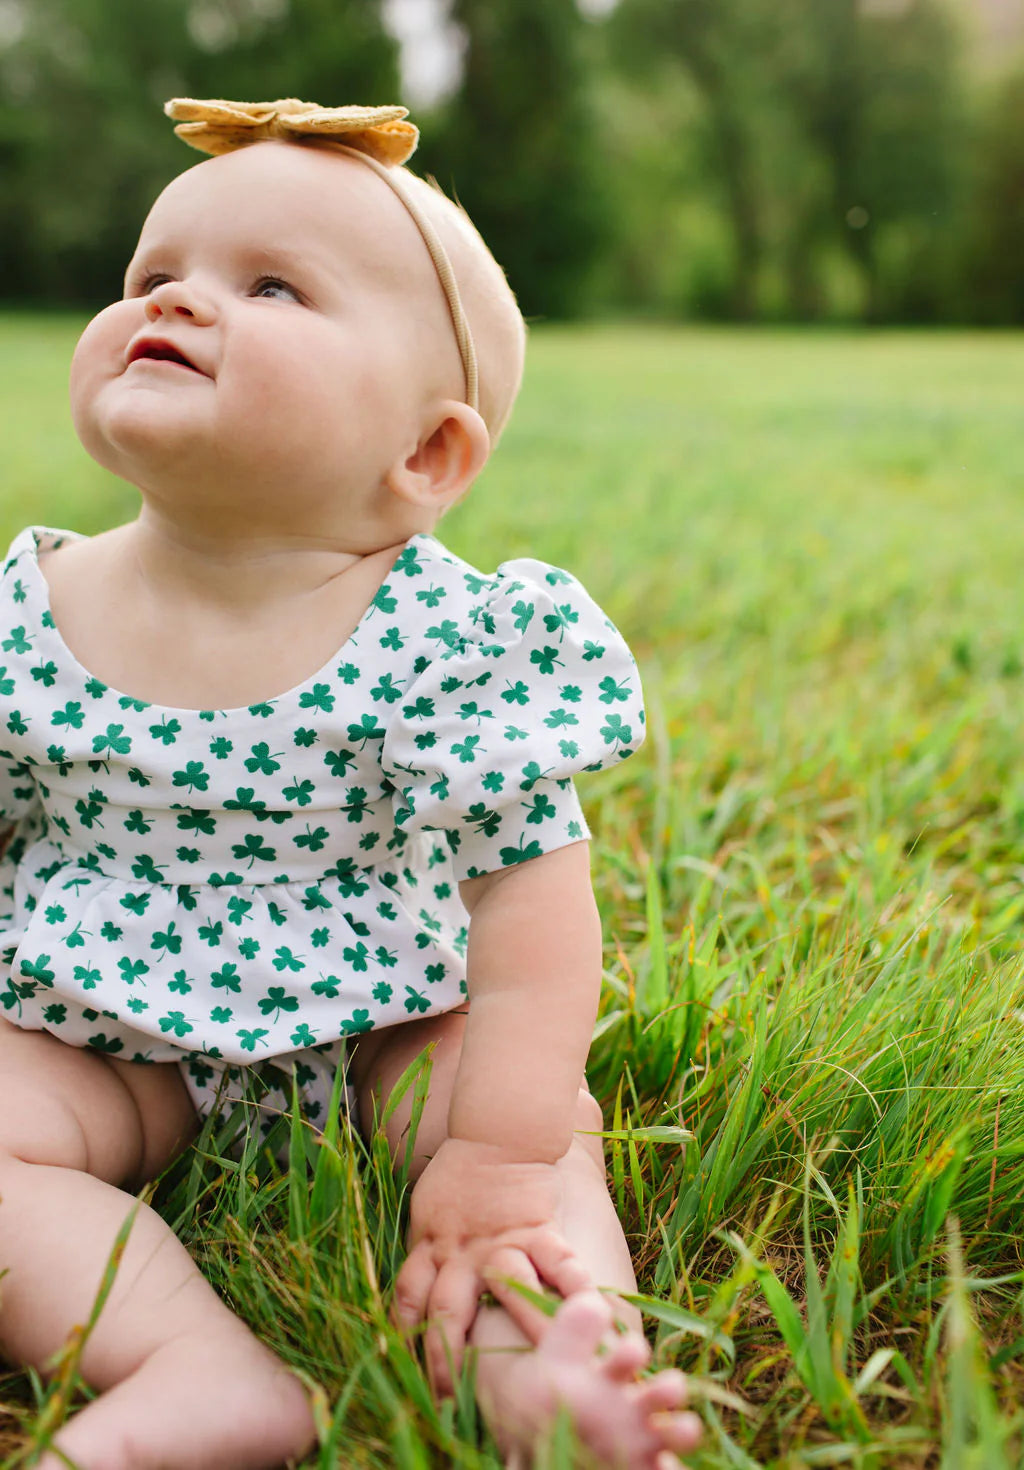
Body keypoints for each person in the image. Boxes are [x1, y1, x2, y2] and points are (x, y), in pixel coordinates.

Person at [0, 97, 702, 1470]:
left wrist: (494, 1159)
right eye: (155, 277)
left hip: (388, 1026)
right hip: (95, 1034)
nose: (180, 304)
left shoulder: (455, 642)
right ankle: (187, 1360)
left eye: (270, 285)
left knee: (538, 1139)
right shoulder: (28, 606)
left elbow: (530, 915)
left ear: (425, 457)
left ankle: (541, 1362)